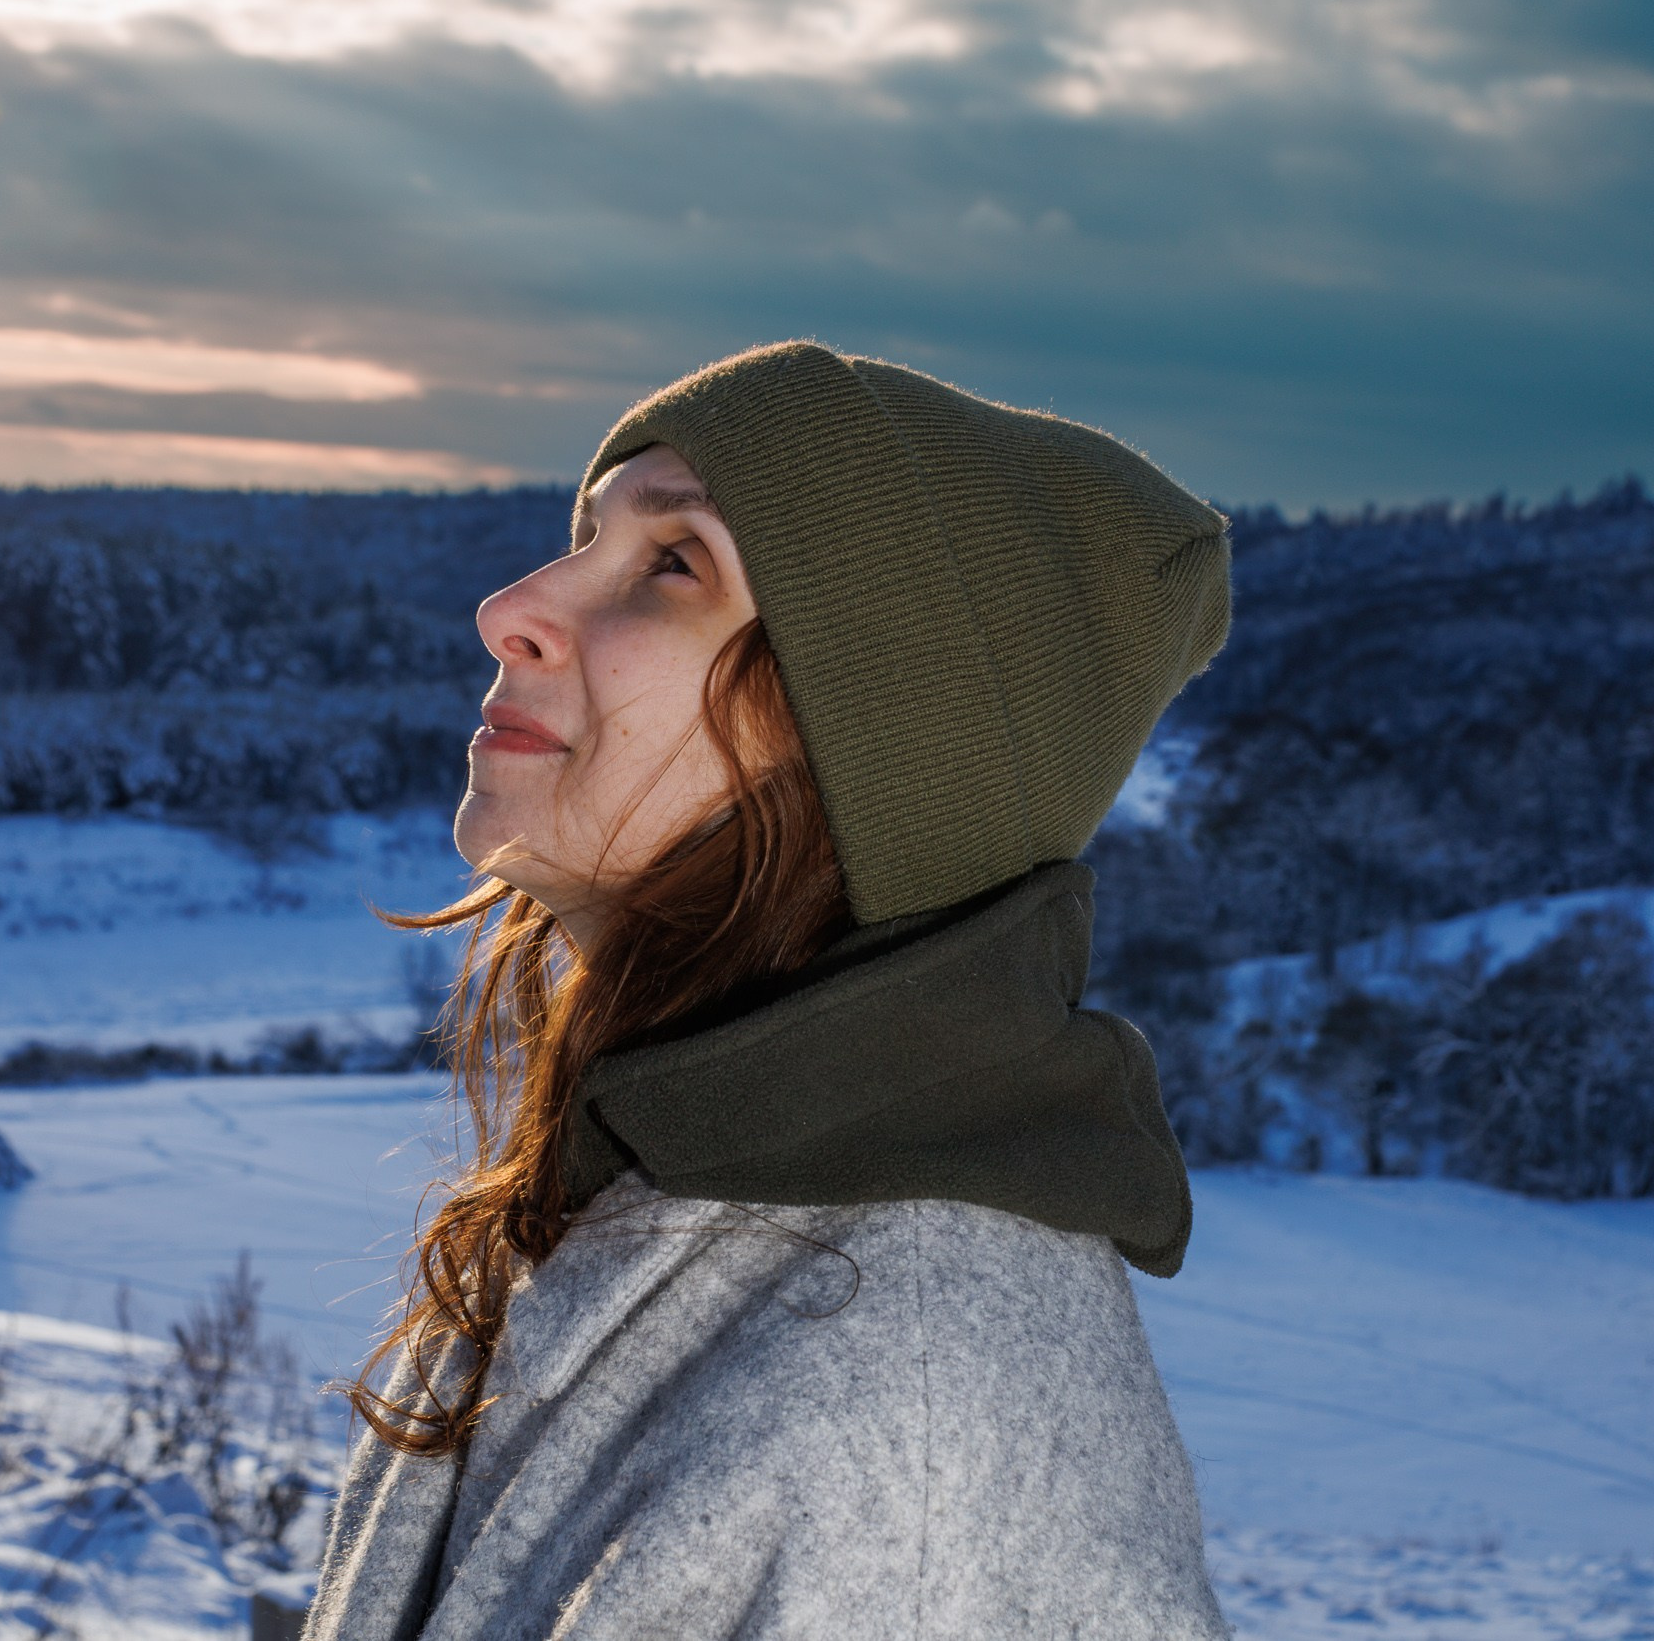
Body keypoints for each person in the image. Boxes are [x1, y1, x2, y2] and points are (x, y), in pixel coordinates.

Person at [307, 339, 1235, 1640]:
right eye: (582, 537)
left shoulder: (912, 1443)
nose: (511, 606)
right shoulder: (628, 1194)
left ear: (881, 744)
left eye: (670, 563)